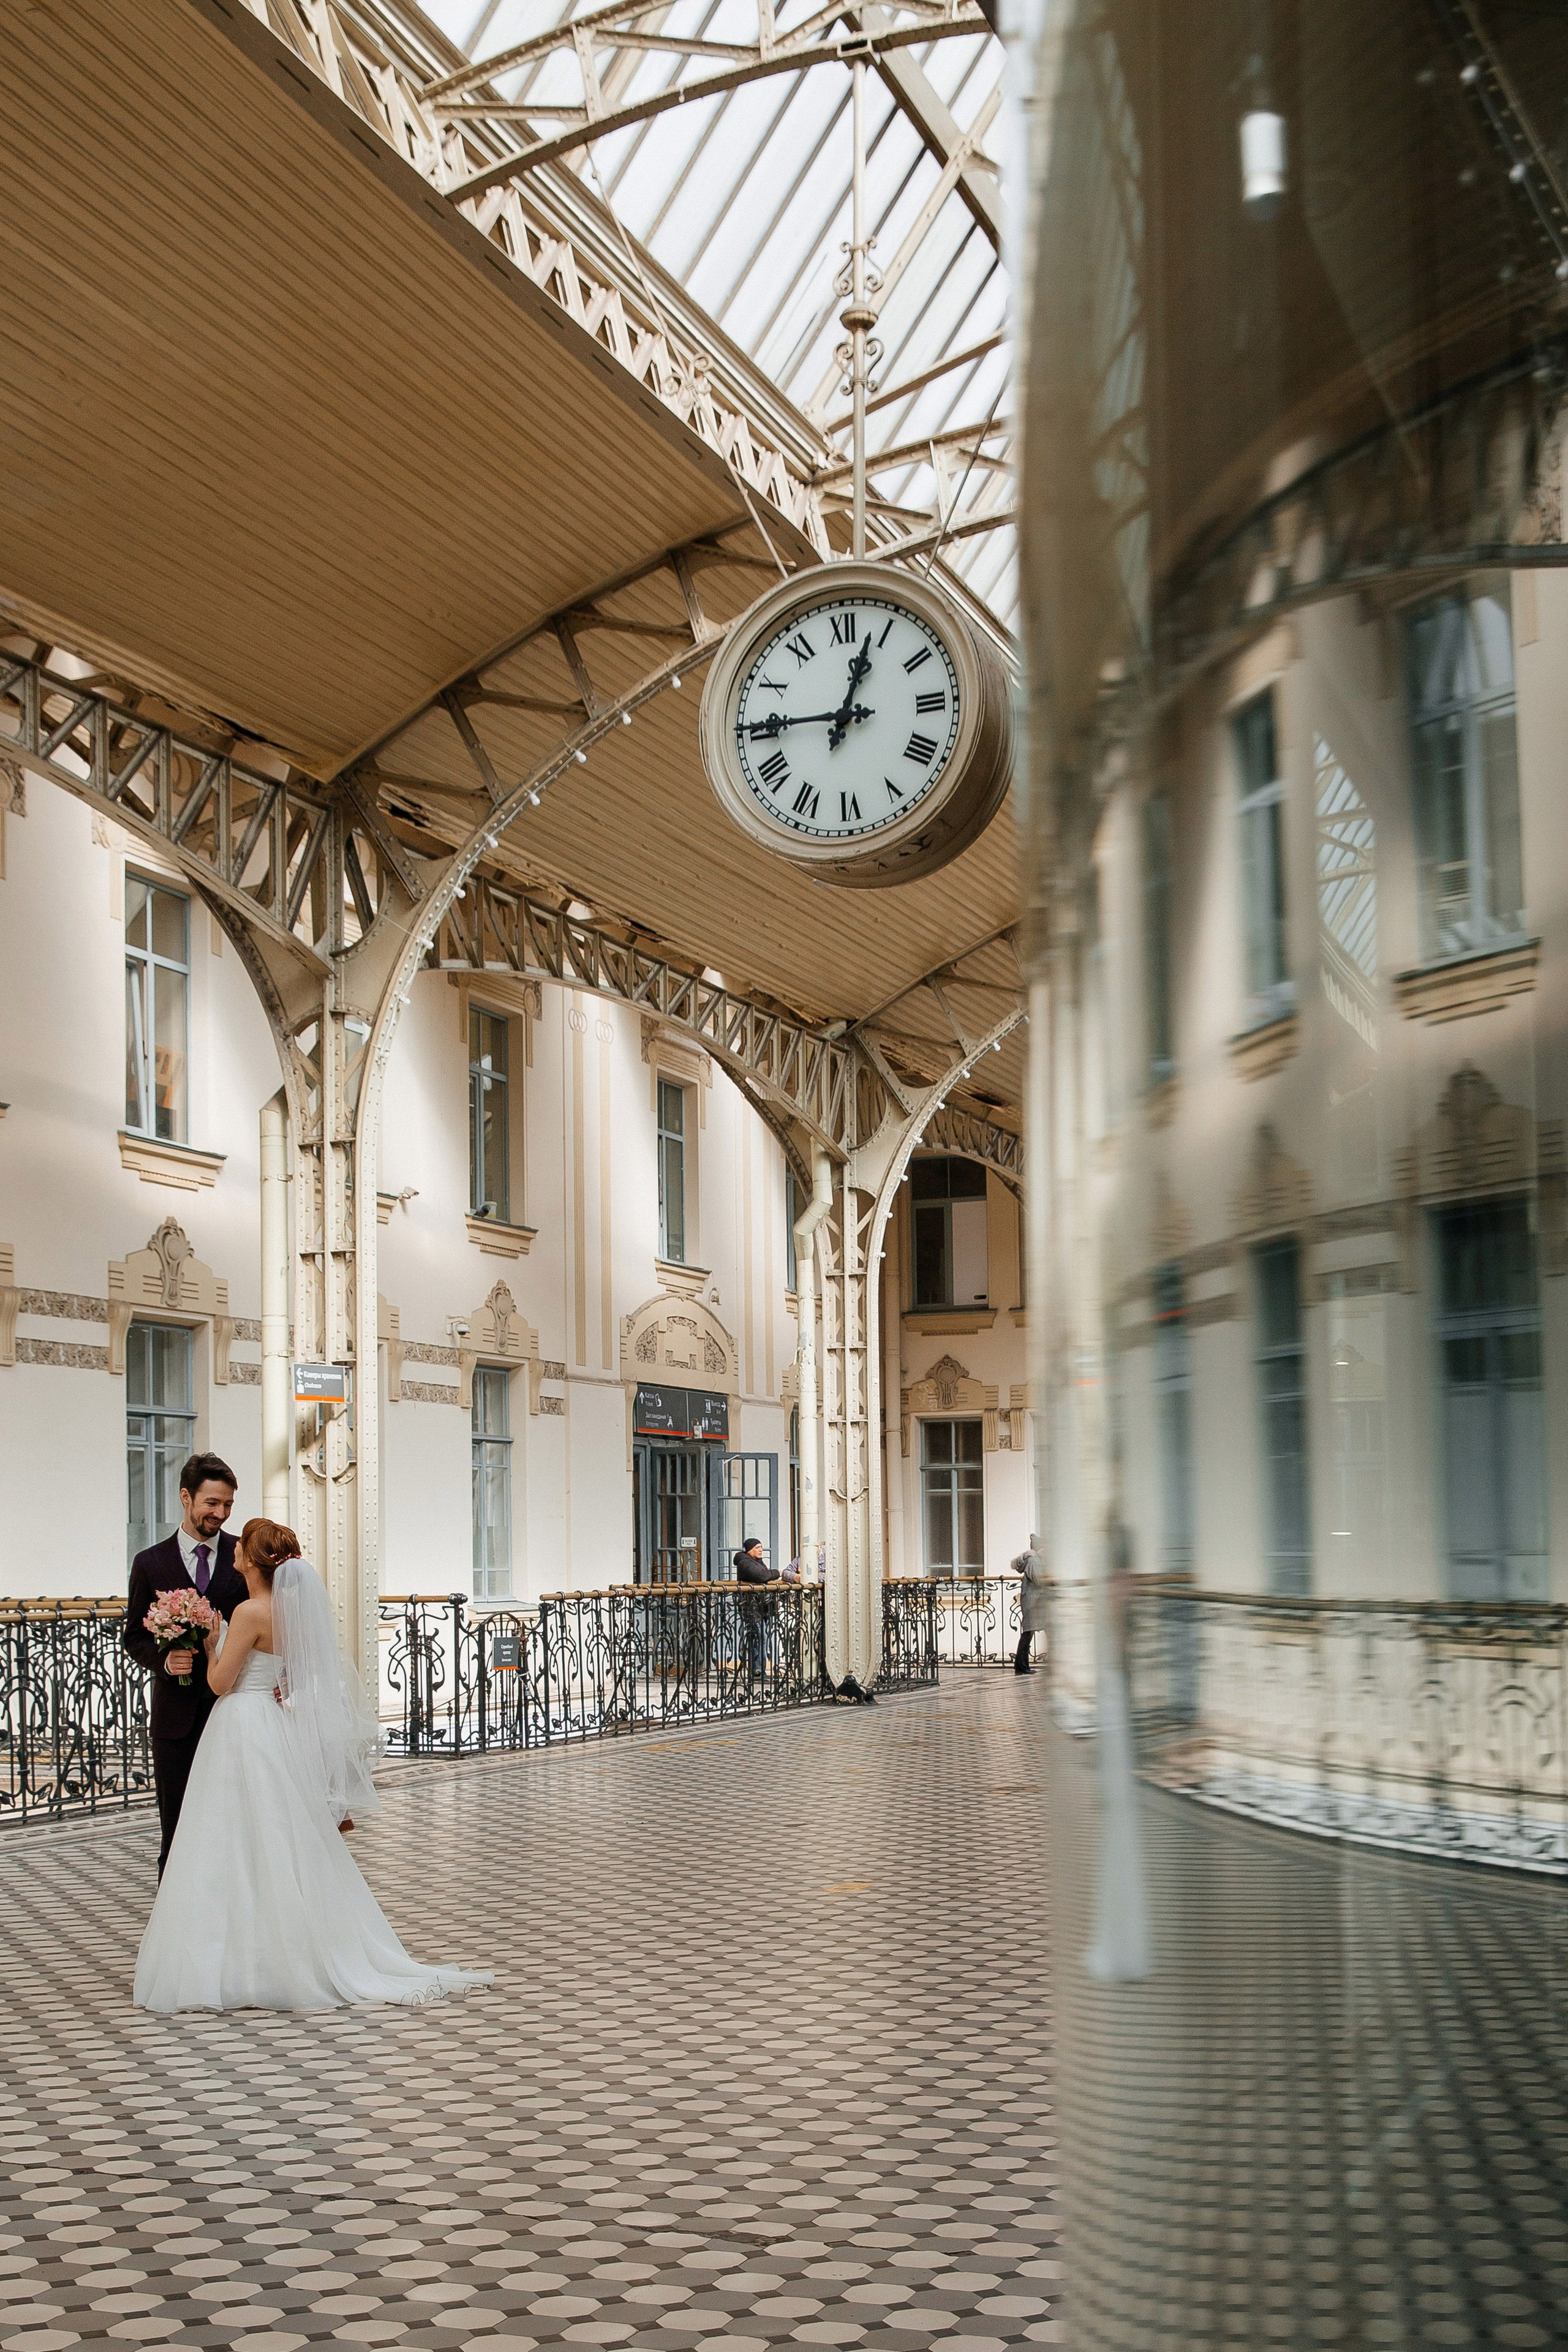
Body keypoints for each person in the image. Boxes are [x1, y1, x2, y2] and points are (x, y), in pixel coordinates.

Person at [134, 1517, 491, 2013]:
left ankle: (236, 1959)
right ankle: (289, 1950)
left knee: (230, 1837)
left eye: (241, 1549)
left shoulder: (249, 1613)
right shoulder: (292, 1612)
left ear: (252, 1561)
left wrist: (212, 1645)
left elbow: (219, 1683)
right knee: (278, 1837)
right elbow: (298, 1674)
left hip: (240, 1725)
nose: (233, 1552)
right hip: (273, 1726)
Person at [123, 1452, 248, 1875]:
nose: (221, 1514)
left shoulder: (245, 1556)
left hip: (233, 1713)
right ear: (185, 1497)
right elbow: (134, 1637)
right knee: (176, 1828)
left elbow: (270, 1623)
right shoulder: (150, 1563)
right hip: (175, 1720)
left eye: (228, 1504)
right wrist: (164, 1660)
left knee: (233, 1824)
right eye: (212, 1503)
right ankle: (172, 1913)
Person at [733, 1534, 777, 1681]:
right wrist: (777, 1573)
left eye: (761, 1547)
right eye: (757, 1547)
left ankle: (759, 1670)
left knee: (760, 1637)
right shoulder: (745, 1563)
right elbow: (762, 1576)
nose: (760, 1550)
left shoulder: (756, 1562)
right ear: (750, 1550)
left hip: (760, 1606)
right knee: (759, 1636)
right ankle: (757, 1670)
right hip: (751, 1606)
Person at [1012, 1532, 1050, 1674]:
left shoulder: (1035, 1560)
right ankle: (1022, 1666)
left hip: (1033, 1601)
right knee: (1028, 1634)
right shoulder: (1033, 1561)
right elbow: (1038, 1580)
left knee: (1028, 1633)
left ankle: (1021, 1665)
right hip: (1033, 1602)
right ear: (1038, 1548)